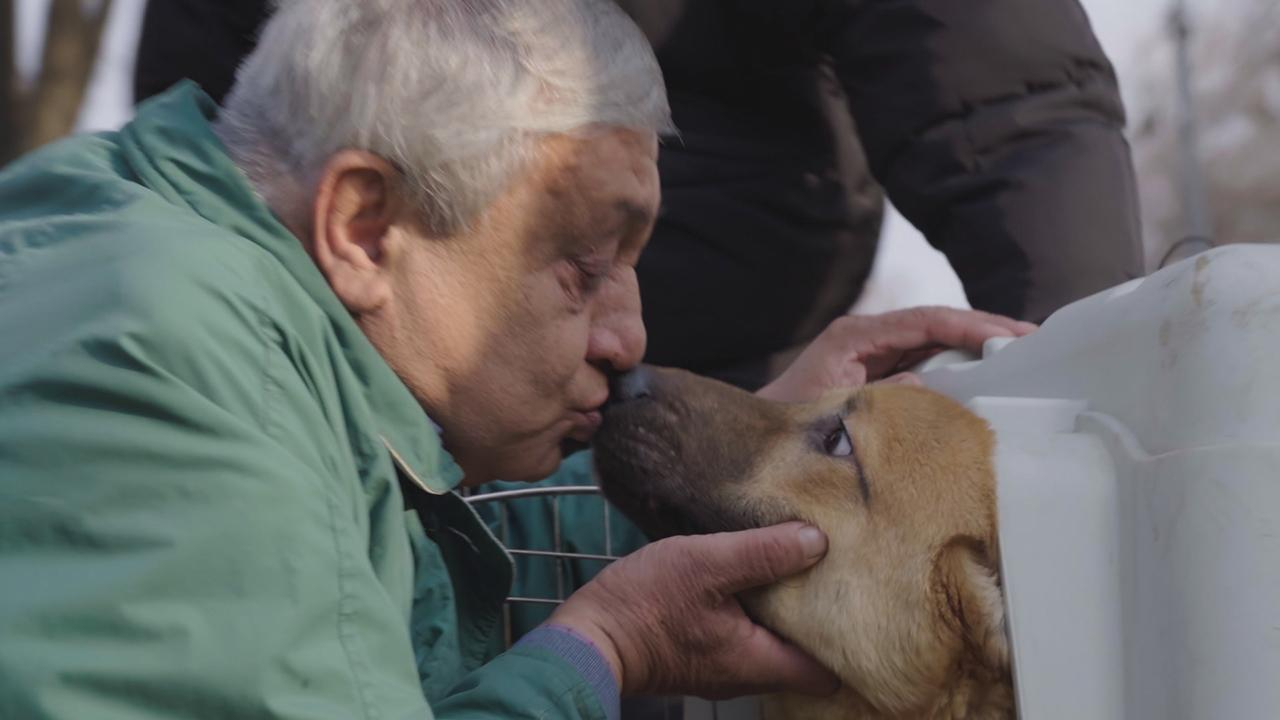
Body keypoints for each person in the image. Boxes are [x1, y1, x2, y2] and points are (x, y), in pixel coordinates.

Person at [0, 1, 1033, 718]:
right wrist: (603, 652)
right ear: (364, 226)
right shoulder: (173, 383)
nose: (627, 338)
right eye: (582, 265)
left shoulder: (134, 245)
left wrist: (729, 465)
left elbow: (406, 557)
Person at [133, 0, 1140, 389]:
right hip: (386, 376)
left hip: (745, 349)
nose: (625, 329)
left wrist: (1091, 382)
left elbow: (1009, 112)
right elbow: (222, 157)